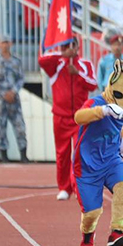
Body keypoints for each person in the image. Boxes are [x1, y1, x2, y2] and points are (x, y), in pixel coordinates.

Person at [71, 59, 123, 246]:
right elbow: (78, 117)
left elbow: (119, 125)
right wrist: (103, 111)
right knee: (92, 213)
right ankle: (88, 232)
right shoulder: (97, 103)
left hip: (111, 160)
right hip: (87, 165)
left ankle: (117, 231)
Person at [39, 39, 97, 200]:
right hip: (61, 117)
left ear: (78, 47)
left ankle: (78, 186)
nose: (69, 49)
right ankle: (64, 187)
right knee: (62, 154)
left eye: (72, 45)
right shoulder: (56, 64)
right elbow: (42, 60)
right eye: (65, 46)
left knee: (79, 154)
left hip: (80, 117)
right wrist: (63, 54)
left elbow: (93, 84)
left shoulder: (85, 65)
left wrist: (77, 74)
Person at [0, 34, 28, 163]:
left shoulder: (17, 60)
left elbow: (21, 78)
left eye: (7, 42)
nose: (5, 45)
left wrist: (13, 92)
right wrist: (4, 93)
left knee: (20, 127)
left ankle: (23, 155)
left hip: (14, 100)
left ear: (10, 44)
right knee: (0, 128)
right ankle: (4, 156)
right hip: (0, 101)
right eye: (2, 42)